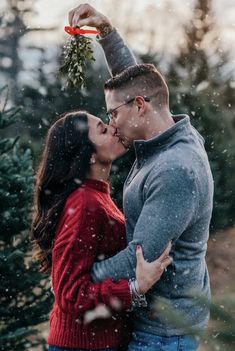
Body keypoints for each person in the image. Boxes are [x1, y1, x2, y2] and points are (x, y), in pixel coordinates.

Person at [68, 4, 214, 351]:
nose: (112, 123)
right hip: (154, 324)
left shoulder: (175, 169)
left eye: (113, 113)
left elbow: (140, 259)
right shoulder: (166, 132)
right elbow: (136, 81)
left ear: (139, 107)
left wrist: (77, 280)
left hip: (163, 334)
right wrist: (106, 32)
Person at [30, 111, 172, 351]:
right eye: (103, 129)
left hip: (97, 342)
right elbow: (70, 294)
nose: (114, 128)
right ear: (89, 156)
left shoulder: (96, 195)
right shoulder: (85, 203)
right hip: (81, 344)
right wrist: (135, 288)